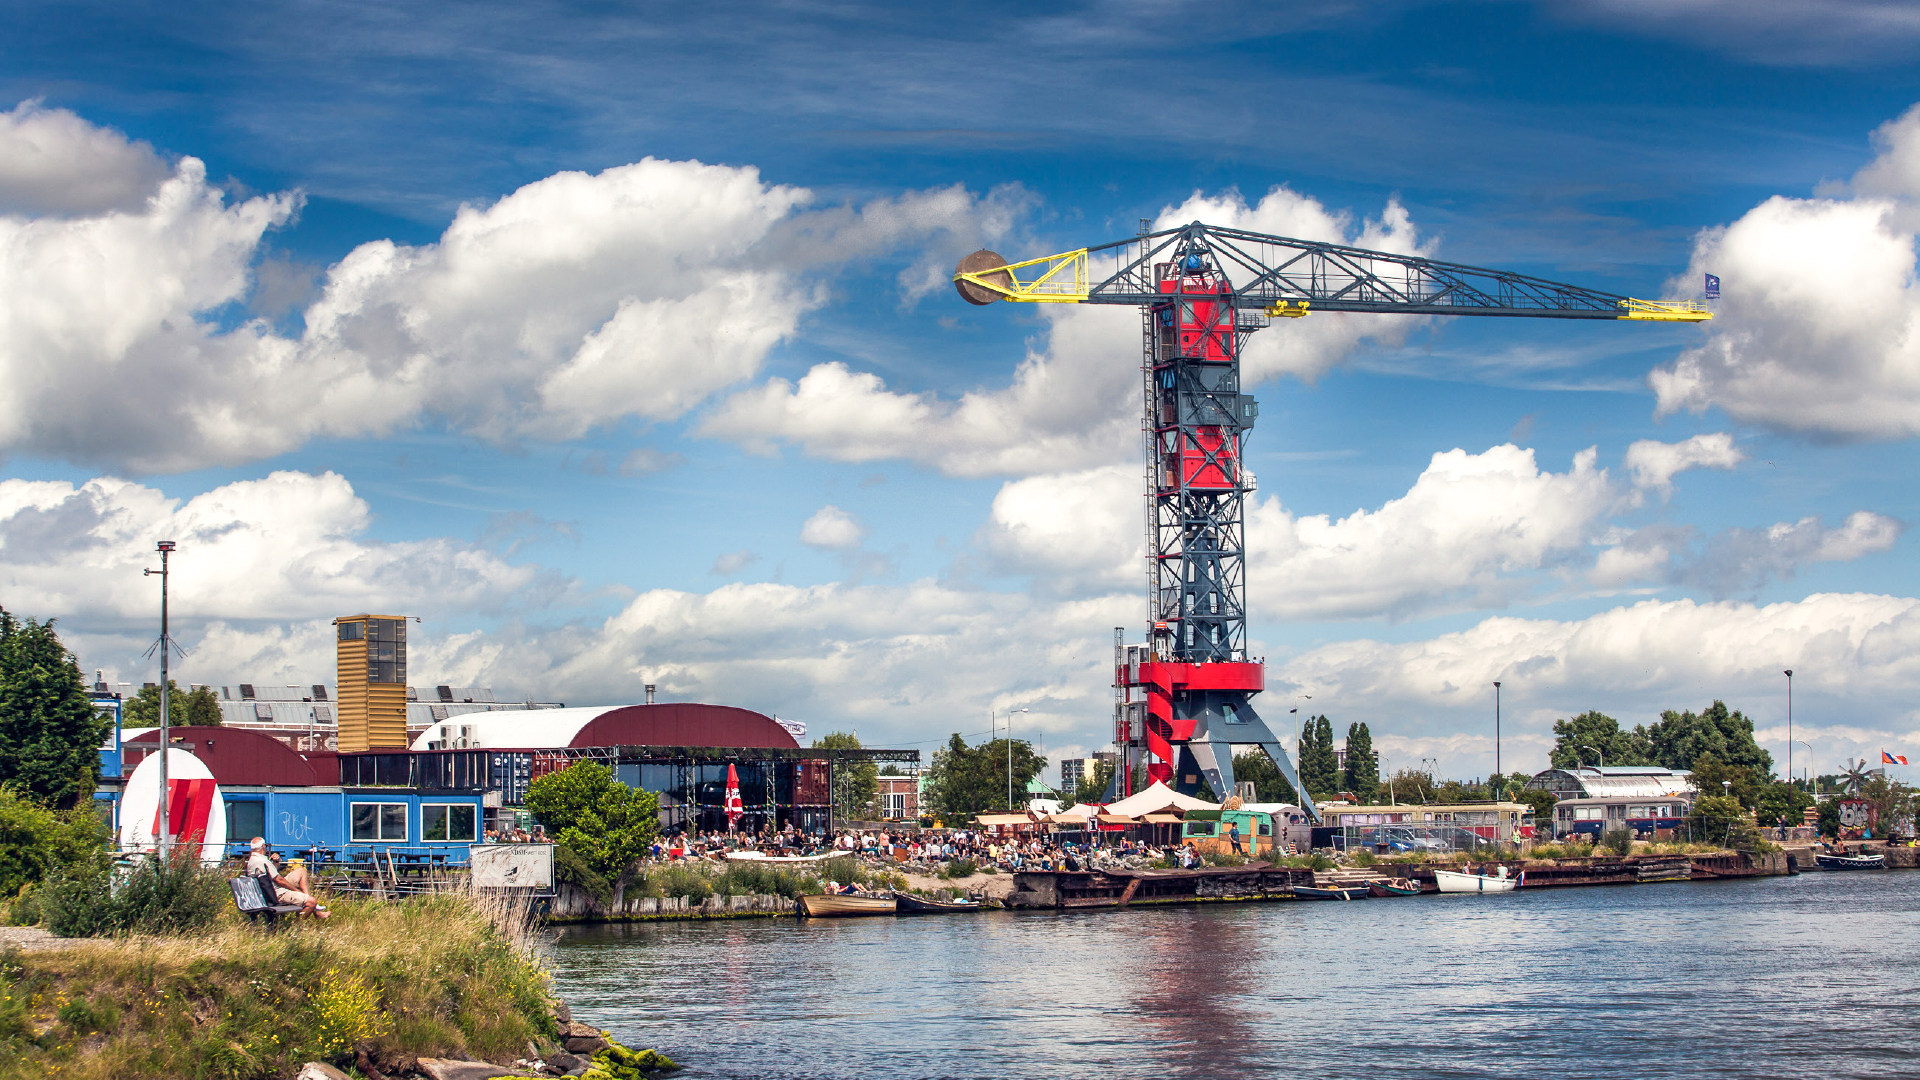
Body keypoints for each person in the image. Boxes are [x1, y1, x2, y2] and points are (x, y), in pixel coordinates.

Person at [247, 838, 323, 918]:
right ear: (263, 846)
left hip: (270, 888)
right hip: (277, 893)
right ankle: (299, 923)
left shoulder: (253, 860)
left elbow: (271, 876)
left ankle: (315, 910)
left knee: (301, 871)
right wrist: (297, 891)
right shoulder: (262, 861)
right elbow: (279, 880)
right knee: (312, 901)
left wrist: (275, 862)